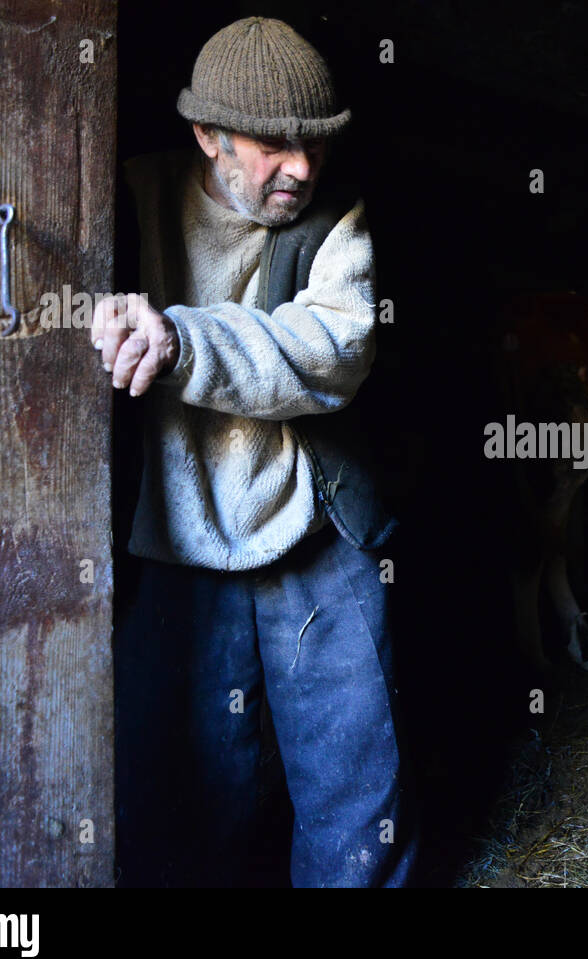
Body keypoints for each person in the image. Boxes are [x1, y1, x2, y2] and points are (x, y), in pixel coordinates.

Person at [97, 16, 417, 887]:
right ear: (208, 134)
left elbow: (332, 351)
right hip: (175, 541)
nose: (302, 169)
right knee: (183, 789)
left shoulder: (336, 219)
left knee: (356, 789)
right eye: (274, 146)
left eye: (315, 145)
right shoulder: (120, 202)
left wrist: (180, 342)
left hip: (310, 530)